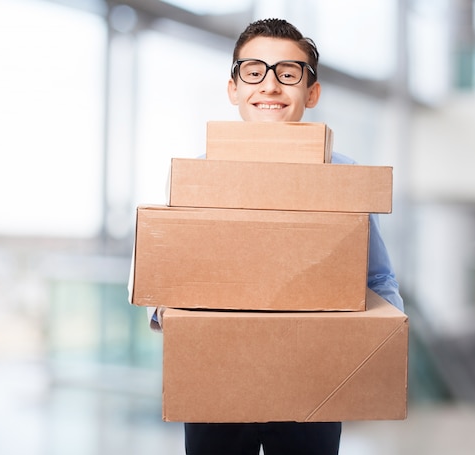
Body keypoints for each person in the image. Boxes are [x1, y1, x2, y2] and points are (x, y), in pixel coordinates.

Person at [146, 17, 404, 455]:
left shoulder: (344, 178)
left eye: (288, 73)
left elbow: (378, 280)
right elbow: (166, 276)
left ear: (312, 91)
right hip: (218, 378)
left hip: (312, 379)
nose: (270, 86)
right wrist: (169, 313)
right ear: (233, 88)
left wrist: (375, 346)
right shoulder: (198, 175)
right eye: (254, 71)